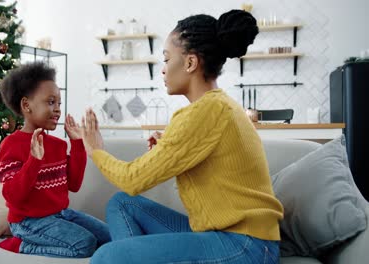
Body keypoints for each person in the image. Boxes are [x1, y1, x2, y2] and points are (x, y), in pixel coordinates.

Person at [82, 10, 284, 264]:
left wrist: (95, 150)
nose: (163, 69)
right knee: (122, 205)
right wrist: (167, 148)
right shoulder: (218, 106)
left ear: (190, 63)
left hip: (245, 245)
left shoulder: (205, 111)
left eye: (167, 59)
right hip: (225, 236)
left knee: (106, 257)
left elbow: (132, 179)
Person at [0, 62, 110, 258]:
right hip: (27, 222)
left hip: (61, 215)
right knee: (85, 244)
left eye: (59, 103)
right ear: (26, 105)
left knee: (110, 237)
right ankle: (20, 245)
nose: (57, 109)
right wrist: (34, 161)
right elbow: (12, 196)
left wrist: (77, 144)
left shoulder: (57, 145)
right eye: (50, 102)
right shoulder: (11, 145)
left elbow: (73, 185)